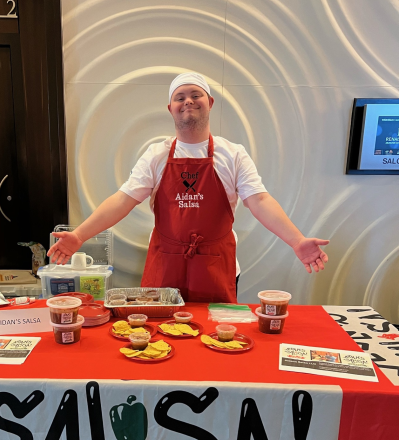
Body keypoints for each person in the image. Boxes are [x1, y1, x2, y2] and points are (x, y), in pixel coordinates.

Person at [48, 72, 329, 302]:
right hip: (165, 264)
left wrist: (296, 240)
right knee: (158, 337)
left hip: (216, 265)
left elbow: (260, 201)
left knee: (216, 341)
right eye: (179, 97)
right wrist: (79, 235)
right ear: (171, 108)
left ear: (210, 102)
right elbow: (123, 200)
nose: (188, 101)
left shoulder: (233, 154)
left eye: (196, 95)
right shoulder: (156, 154)